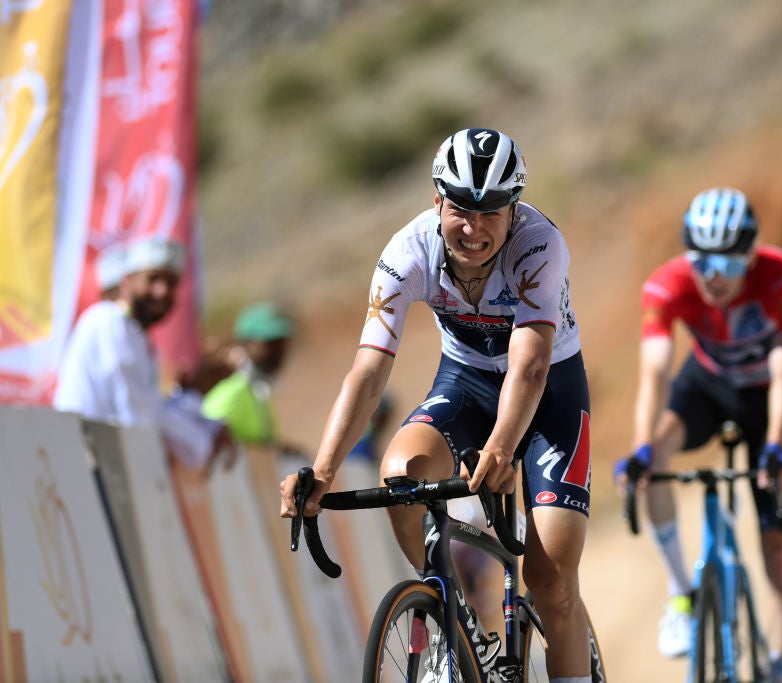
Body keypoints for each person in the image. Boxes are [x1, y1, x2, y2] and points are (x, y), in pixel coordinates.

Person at [280, 128, 594, 682]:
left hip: (549, 395)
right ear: (437, 203)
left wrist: (501, 447)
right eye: (461, 210)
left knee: (551, 583)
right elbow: (370, 369)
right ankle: (460, 630)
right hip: (468, 382)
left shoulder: (539, 245)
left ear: (514, 210)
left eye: (492, 212)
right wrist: (324, 468)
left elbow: (531, 365)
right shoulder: (407, 252)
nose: (474, 229)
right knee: (403, 476)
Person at [615, 187, 782, 683]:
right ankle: (683, 593)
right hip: (708, 384)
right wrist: (641, 448)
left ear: (750, 256)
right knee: (655, 455)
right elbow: (656, 374)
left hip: (770, 399)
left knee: (781, 560)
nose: (712, 276)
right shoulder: (666, 285)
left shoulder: (780, 275)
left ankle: (779, 673)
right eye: (701, 261)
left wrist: (777, 448)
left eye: (726, 262)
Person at [53, 235, 232, 471]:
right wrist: (203, 441)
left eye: (171, 283)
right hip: (86, 464)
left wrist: (210, 426)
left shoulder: (136, 336)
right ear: (127, 281)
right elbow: (141, 416)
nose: (162, 291)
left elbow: (153, 408)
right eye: (153, 279)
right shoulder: (109, 322)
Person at [202, 301, 297, 451]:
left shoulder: (257, 392)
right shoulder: (233, 392)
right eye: (270, 344)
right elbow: (203, 438)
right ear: (247, 344)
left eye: (281, 344)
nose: (278, 352)